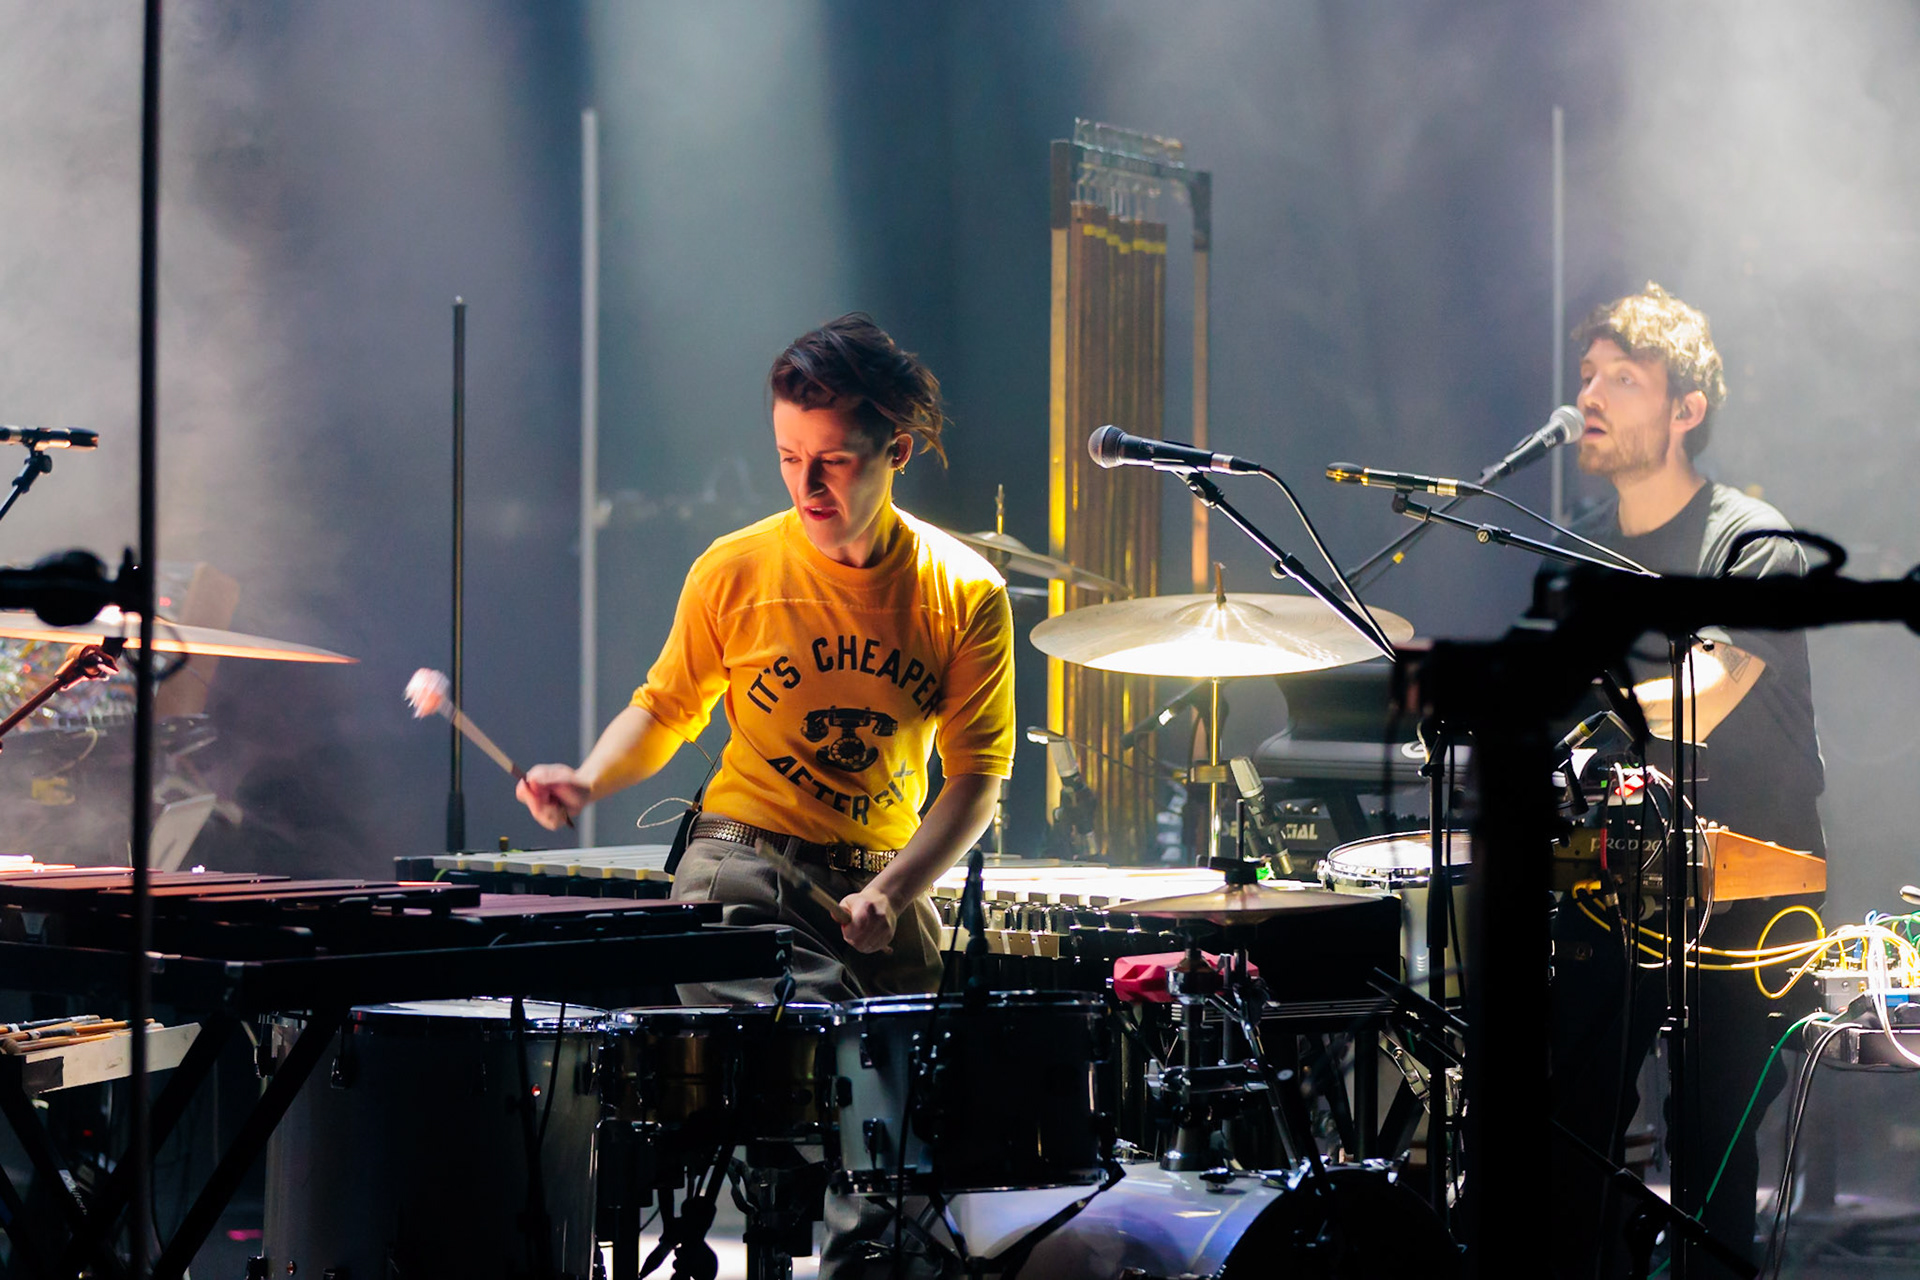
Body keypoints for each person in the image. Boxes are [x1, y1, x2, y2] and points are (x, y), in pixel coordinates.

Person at [518, 313, 1013, 1278]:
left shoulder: (965, 591)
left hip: (881, 884)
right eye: (789, 457)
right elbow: (664, 711)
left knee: (914, 1140)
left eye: (834, 459)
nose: (808, 484)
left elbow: (974, 781)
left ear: (896, 450)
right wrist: (589, 774)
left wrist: (895, 892)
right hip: (742, 875)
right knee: (845, 1072)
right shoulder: (737, 568)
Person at [1548, 283, 1824, 1280]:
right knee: (1562, 1138)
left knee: (1710, 1154)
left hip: (1743, 891)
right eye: (1588, 375)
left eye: (1623, 377)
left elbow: (1710, 688)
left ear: (1685, 410)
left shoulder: (1748, 538)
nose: (1593, 394)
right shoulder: (1580, 543)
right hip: (1612, 879)